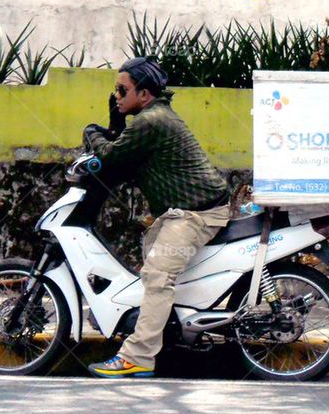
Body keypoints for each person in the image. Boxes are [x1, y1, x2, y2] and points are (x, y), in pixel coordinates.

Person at [84, 56, 230, 379]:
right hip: (188, 210)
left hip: (198, 214)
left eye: (122, 90)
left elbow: (109, 155)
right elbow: (124, 153)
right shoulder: (153, 118)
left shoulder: (152, 122)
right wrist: (114, 127)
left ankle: (138, 356)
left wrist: (92, 133)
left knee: (157, 274)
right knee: (154, 263)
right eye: (115, 91)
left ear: (145, 94)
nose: (117, 97)